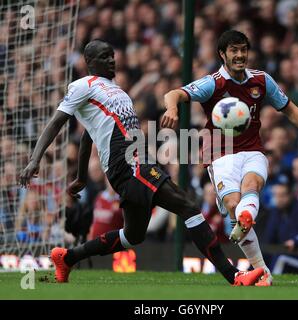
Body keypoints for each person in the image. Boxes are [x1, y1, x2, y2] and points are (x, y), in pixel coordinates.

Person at [19, 39, 264, 286]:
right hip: (128, 163)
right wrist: (34, 160)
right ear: (89, 62)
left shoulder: (116, 90)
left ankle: (68, 257)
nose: (112, 59)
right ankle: (234, 276)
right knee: (188, 206)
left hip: (132, 164)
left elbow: (87, 136)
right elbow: (56, 122)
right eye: (105, 56)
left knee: (133, 236)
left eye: (112, 54)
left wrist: (82, 177)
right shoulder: (82, 86)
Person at [162, 30, 298, 286]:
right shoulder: (213, 83)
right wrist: (172, 107)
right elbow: (174, 93)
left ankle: (247, 228)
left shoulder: (261, 81)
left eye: (243, 50)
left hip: (252, 151)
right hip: (221, 155)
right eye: (234, 51)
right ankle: (262, 271)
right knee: (232, 204)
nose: (240, 55)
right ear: (222, 54)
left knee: (251, 187)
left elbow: (290, 109)